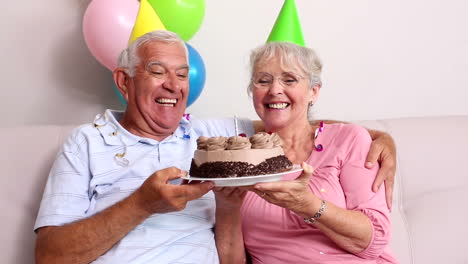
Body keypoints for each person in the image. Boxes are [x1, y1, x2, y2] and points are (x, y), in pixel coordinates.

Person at [34, 30, 395, 263]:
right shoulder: (85, 143)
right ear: (123, 82)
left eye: (181, 74)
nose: (173, 85)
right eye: (158, 71)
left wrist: (380, 136)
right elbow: (50, 257)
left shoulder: (214, 139)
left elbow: (287, 119)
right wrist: (140, 204)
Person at [215, 42, 399, 263]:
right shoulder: (237, 158)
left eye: (289, 80)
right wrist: (227, 207)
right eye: (263, 80)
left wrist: (306, 204)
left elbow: (375, 239)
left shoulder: (348, 140)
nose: (274, 90)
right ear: (252, 92)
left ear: (314, 91)